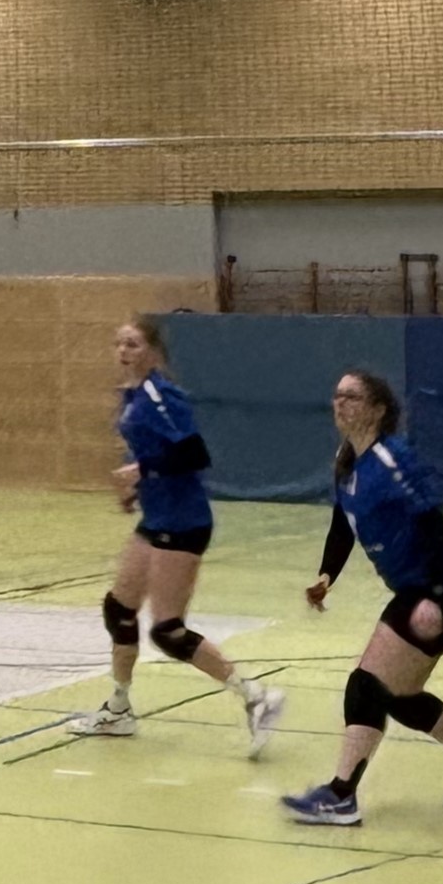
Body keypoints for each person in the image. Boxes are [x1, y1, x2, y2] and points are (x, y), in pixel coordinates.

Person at [282, 370, 443, 826]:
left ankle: (340, 796)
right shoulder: (347, 460)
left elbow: (432, 522)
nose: (341, 403)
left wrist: (434, 595)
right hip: (422, 589)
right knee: (402, 696)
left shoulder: (392, 459)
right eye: (337, 395)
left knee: (366, 684)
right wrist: (327, 575)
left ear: (378, 409)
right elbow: (342, 524)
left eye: (352, 397)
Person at [70, 314, 285, 753]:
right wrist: (138, 487)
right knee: (119, 609)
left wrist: (142, 470)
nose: (123, 351)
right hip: (157, 517)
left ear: (152, 351)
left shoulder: (160, 395)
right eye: (118, 343)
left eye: (132, 344)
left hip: (183, 522)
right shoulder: (132, 395)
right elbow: (155, 453)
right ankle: (119, 709)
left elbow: (193, 453)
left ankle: (256, 697)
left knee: (167, 631)